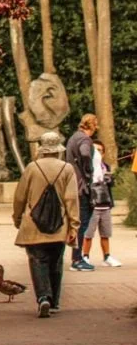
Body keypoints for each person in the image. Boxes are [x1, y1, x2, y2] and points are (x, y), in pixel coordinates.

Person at [13, 131, 80, 318]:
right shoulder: (67, 169)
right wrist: (74, 226)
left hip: (33, 225)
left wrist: (17, 218)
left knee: (37, 261)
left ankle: (43, 297)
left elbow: (20, 197)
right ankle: (54, 302)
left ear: (42, 149)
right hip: (59, 225)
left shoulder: (31, 168)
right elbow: (71, 199)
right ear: (58, 149)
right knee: (56, 262)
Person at [82, 140, 121, 267]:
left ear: (103, 153)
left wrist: (109, 179)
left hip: (105, 204)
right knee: (88, 233)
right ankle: (85, 256)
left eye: (100, 150)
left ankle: (107, 256)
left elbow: (111, 185)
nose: (97, 153)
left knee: (105, 233)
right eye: (95, 150)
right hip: (93, 205)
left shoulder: (106, 167)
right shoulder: (88, 168)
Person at [66, 113, 97, 271]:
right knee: (82, 222)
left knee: (76, 221)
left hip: (72, 184)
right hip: (82, 186)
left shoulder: (73, 137)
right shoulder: (85, 139)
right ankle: (77, 259)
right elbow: (85, 153)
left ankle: (76, 257)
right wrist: (88, 169)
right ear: (91, 125)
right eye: (95, 124)